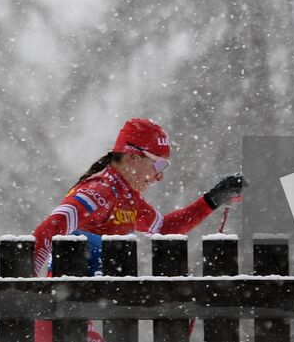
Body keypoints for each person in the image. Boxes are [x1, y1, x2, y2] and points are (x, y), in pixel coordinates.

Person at [31, 118, 244, 342]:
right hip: (58, 323)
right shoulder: (98, 193)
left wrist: (213, 199)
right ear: (133, 157)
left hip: (79, 321)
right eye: (159, 165)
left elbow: (165, 228)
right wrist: (25, 294)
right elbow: (46, 232)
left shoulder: (127, 198)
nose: (159, 176)